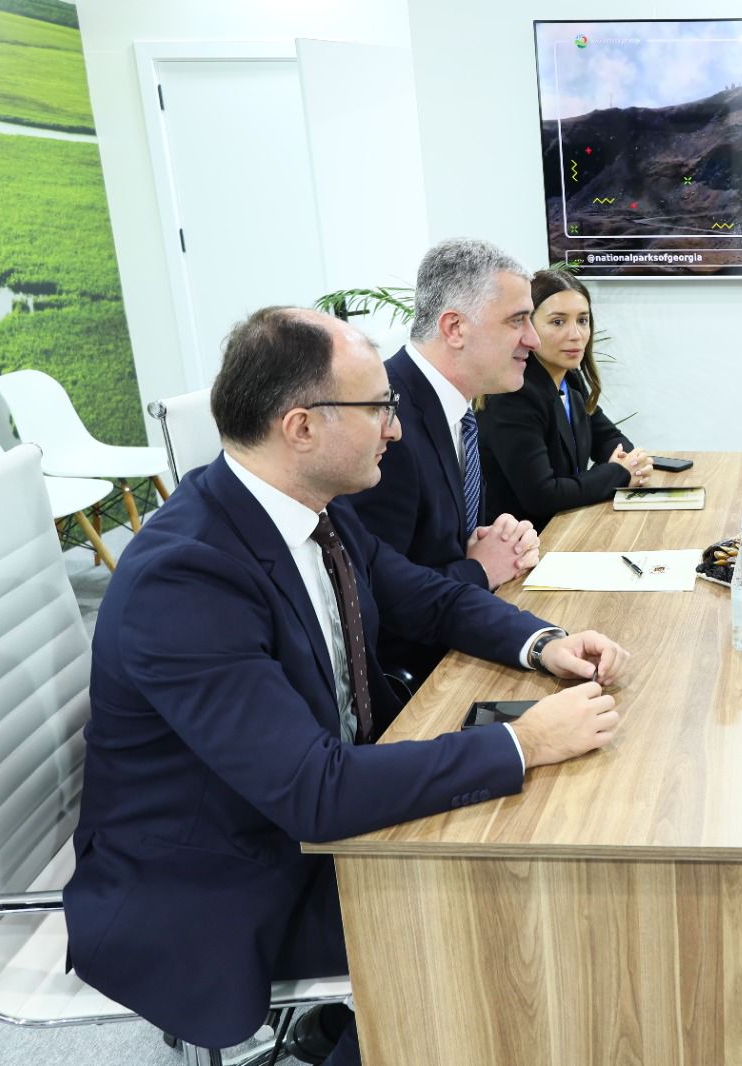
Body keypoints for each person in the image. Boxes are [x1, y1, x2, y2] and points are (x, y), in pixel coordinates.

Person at [64, 307, 633, 1066]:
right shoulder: (187, 576)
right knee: (503, 910)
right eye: (378, 409)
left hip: (296, 819)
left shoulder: (308, 510)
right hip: (223, 881)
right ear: (301, 427)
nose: (394, 429)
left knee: (525, 860)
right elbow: (316, 793)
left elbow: (427, 597)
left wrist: (543, 643)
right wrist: (522, 742)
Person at [350, 238, 543, 685]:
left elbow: (441, 543)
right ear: (454, 328)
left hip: (463, 633)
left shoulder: (451, 406)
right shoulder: (382, 421)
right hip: (420, 678)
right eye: (517, 320)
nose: (533, 339)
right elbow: (372, 592)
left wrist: (499, 539)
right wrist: (481, 569)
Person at [478, 268, 651, 531]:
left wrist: (631, 463)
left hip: (567, 528)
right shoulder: (512, 397)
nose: (576, 334)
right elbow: (543, 496)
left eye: (582, 320)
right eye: (558, 322)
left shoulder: (569, 379)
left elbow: (608, 438)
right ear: (527, 327)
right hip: (526, 543)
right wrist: (620, 472)